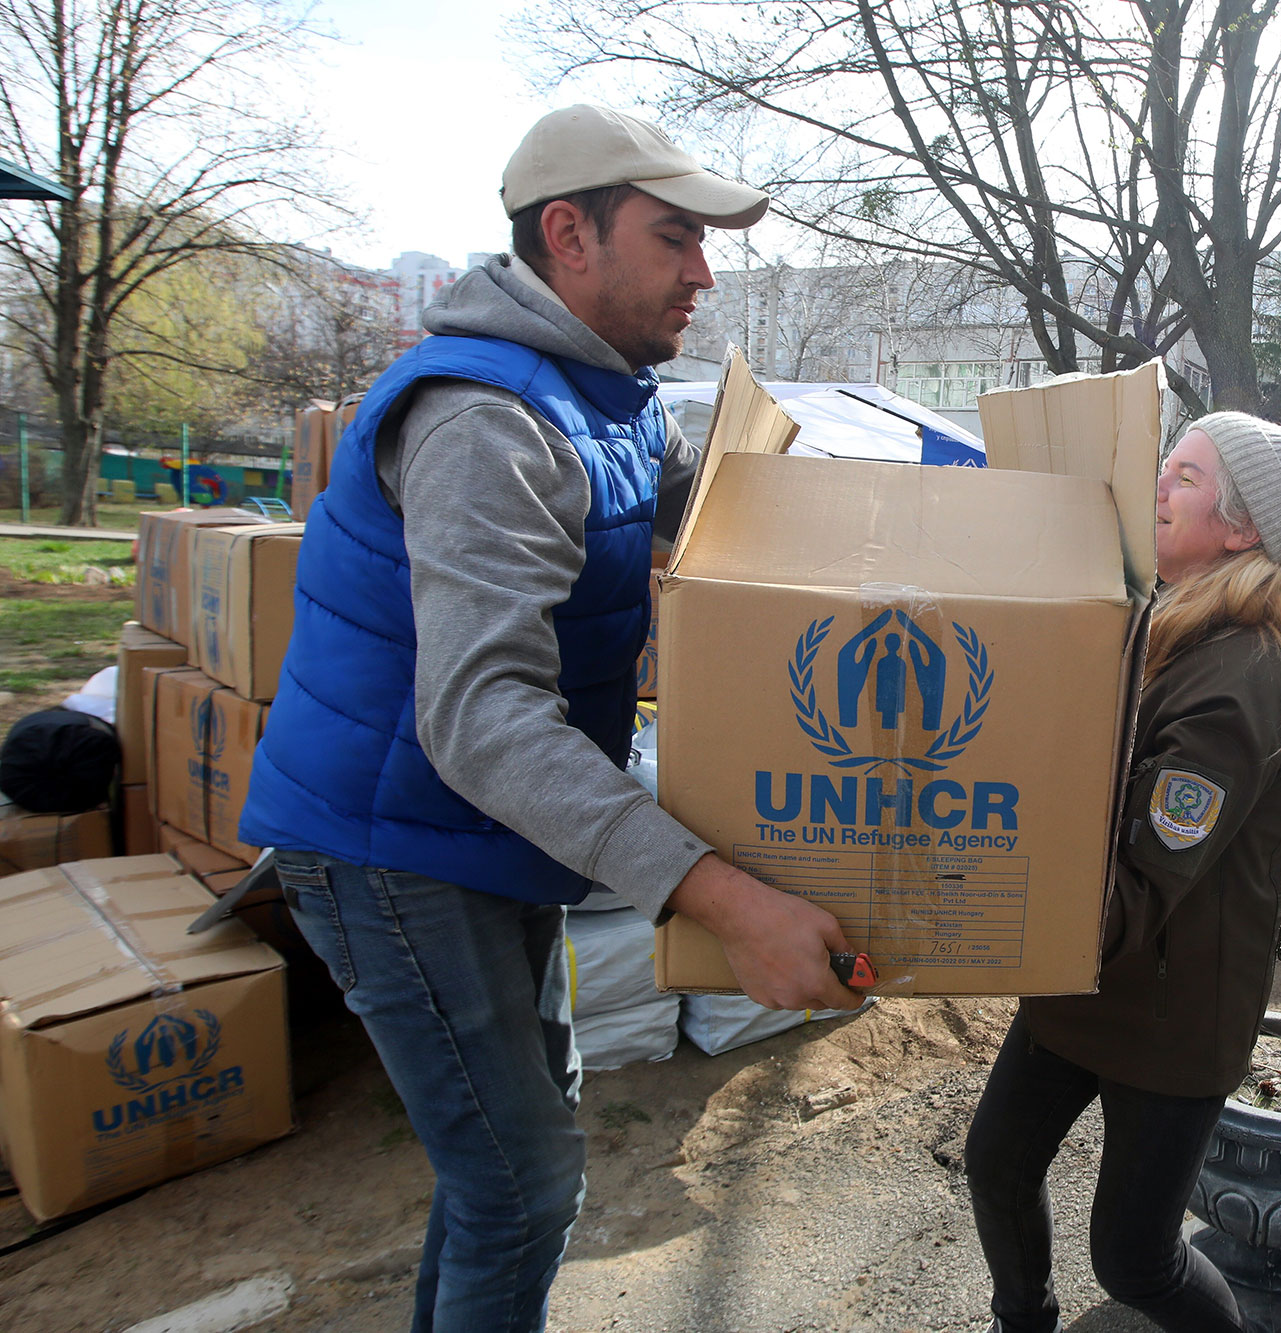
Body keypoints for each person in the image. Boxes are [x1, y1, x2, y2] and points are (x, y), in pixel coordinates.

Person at [237, 105, 863, 1333]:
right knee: (521, 1180)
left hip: (475, 832)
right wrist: (726, 901)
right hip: (395, 842)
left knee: (505, 1170)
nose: (706, 271)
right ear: (567, 234)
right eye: (676, 235)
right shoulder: (489, 422)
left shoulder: (608, 400)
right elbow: (478, 718)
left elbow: (736, 516)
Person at [963, 412, 1281, 1333]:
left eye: (1185, 477)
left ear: (1242, 527)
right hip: (1083, 970)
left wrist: (980, 918)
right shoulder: (1165, 620)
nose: (1157, 486)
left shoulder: (1249, 676)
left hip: (1169, 1001)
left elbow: (1147, 876)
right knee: (996, 1163)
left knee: (1132, 1254)